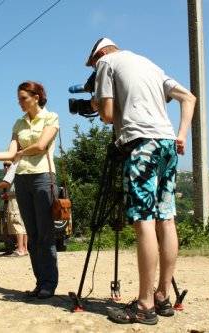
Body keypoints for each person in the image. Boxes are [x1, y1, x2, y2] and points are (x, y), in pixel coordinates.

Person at [84, 38, 196, 325]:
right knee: (166, 220)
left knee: (143, 221)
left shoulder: (108, 63)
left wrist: (96, 101)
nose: (95, 69)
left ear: (101, 54)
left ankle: (144, 306)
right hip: (167, 144)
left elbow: (108, 116)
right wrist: (182, 134)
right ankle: (161, 297)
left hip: (141, 145)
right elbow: (189, 98)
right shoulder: (149, 64)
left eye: (93, 64)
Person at [0, 81, 60, 299]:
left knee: (45, 234)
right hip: (22, 179)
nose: (19, 102)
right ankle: (40, 283)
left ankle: (49, 283)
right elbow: (11, 153)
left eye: (23, 98)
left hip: (42, 177)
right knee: (32, 233)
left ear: (36, 97)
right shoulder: (18, 123)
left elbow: (41, 146)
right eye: (19, 99)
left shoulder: (51, 118)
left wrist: (19, 154)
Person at [0, 160, 28, 256]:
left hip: (14, 200)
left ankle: (20, 249)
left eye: (8, 165)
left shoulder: (13, 168)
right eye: (4, 165)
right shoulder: (21, 169)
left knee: (16, 222)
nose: (6, 167)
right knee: (22, 225)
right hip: (21, 198)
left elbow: (6, 182)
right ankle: (25, 249)